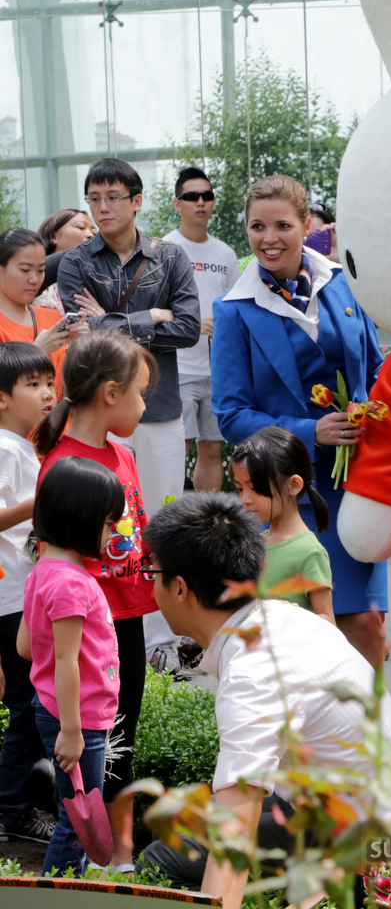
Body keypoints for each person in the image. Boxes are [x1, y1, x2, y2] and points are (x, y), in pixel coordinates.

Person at [141, 492, 391, 903]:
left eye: (152, 571)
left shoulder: (253, 674)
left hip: (375, 858)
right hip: (385, 817)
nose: (150, 583)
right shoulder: (284, 620)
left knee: (161, 858)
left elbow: (232, 842)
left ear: (180, 588)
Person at [210, 175, 386, 665]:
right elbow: (231, 416)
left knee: (366, 629)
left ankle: (371, 738)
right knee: (307, 638)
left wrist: (372, 407)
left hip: (360, 482)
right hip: (291, 495)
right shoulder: (233, 312)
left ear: (307, 225)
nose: (269, 238)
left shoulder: (345, 284)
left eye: (283, 225)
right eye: (256, 226)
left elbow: (377, 368)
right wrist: (310, 432)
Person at [56, 157, 201, 666]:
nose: (102, 208)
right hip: (99, 414)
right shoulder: (76, 261)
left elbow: (186, 327)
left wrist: (115, 322)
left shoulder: (170, 257)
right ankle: (106, 633)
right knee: (107, 521)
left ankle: (162, 639)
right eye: (94, 199)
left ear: (137, 201)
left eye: (113, 197)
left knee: (161, 519)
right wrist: (147, 317)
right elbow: (80, 329)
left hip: (157, 406)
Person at [33, 332, 157, 871]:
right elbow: (53, 558)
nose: (145, 405)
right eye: (141, 393)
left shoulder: (121, 454)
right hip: (85, 627)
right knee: (97, 741)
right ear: (111, 393)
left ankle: (116, 846)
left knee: (122, 732)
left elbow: (137, 526)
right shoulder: (63, 465)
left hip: (125, 614)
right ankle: (95, 849)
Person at [18, 457, 122, 876]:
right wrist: (73, 732)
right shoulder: (71, 583)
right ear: (82, 520)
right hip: (77, 719)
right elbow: (65, 661)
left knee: (73, 810)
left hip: (54, 710)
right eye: (109, 522)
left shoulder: (43, 571)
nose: (114, 531)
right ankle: (55, 890)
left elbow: (27, 647)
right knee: (79, 819)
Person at [0, 342, 56, 844]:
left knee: (28, 700)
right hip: (9, 600)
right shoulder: (3, 448)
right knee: (25, 703)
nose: (46, 394)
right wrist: (44, 500)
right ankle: (12, 809)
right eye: (33, 385)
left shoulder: (22, 446)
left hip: (22, 595)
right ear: (1, 398)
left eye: (49, 384)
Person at [164, 167, 239, 492]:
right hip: (177, 368)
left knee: (211, 446)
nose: (200, 202)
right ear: (177, 203)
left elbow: (235, 308)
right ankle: (167, 526)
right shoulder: (164, 248)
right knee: (178, 447)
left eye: (206, 195)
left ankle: (207, 522)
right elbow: (149, 309)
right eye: (191, 196)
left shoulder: (225, 253)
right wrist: (189, 327)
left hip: (218, 370)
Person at [230, 426, 334, 621]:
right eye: (240, 489)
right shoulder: (254, 543)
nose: (245, 499)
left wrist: (294, 616)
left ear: (293, 485)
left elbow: (328, 620)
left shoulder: (309, 551)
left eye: (254, 488)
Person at [0, 228, 87, 396]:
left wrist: (82, 347)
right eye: (25, 270)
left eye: (40, 270)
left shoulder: (52, 318)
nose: (34, 279)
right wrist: (37, 352)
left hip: (61, 421)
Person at [33, 210, 97, 313]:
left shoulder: (96, 282)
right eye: (81, 227)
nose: (91, 235)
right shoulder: (32, 280)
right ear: (54, 236)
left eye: (95, 233)